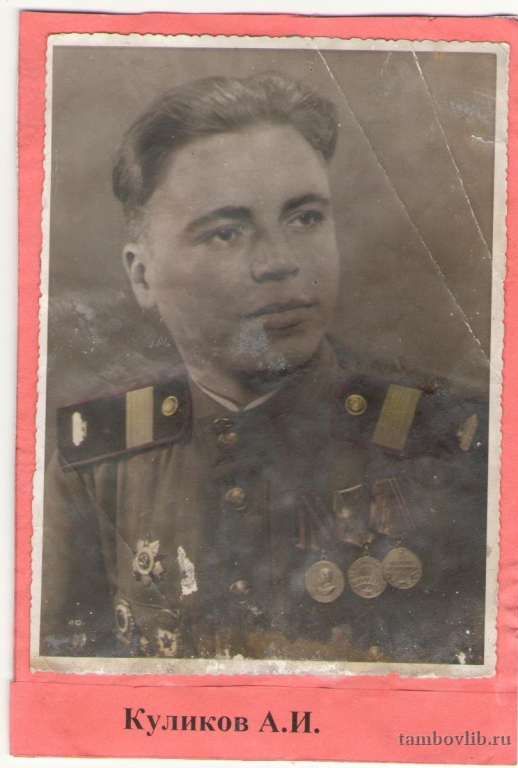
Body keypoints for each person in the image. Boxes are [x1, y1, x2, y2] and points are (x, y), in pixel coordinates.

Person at [40, 72, 488, 665]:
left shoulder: (454, 441)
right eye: (226, 233)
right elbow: (57, 689)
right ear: (142, 275)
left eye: (305, 219)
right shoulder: (96, 464)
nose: (280, 262)